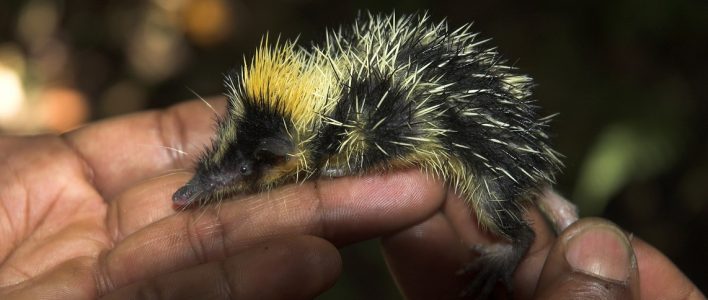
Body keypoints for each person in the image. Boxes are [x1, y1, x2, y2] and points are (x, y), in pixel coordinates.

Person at [0, 99, 702, 300]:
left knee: (496, 211)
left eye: (239, 167)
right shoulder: (314, 130)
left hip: (486, 145)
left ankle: (519, 239)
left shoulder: (351, 131)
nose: (210, 184)